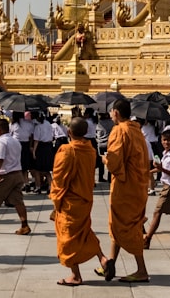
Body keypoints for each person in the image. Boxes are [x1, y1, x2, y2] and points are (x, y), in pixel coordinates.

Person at [50, 117, 111, 286]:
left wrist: (56, 200)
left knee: (67, 238)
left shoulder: (66, 150)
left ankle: (75, 276)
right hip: (85, 199)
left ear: (69, 132)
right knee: (84, 232)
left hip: (70, 201)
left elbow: (59, 179)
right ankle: (103, 259)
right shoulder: (90, 150)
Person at [101, 98, 150, 283]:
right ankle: (110, 263)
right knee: (119, 224)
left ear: (116, 112)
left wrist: (105, 160)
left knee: (128, 227)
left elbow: (114, 162)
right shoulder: (136, 130)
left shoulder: (119, 131)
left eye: (112, 112)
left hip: (125, 186)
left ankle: (142, 270)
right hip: (138, 185)